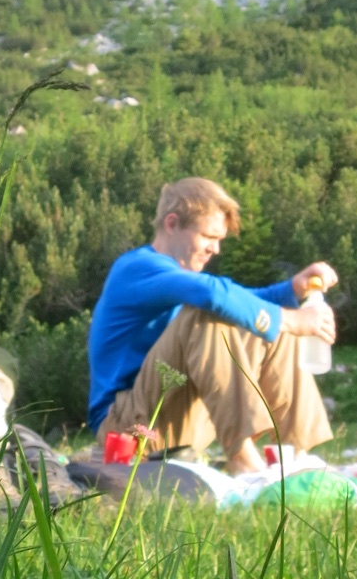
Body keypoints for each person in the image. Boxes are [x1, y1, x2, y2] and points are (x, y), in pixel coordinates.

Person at [87, 177, 338, 476]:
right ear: (172, 224)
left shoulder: (181, 281)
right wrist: (291, 319)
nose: (215, 249)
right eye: (208, 236)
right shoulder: (137, 268)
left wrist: (292, 291)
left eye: (219, 240)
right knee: (211, 314)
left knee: (272, 323)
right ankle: (243, 460)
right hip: (126, 426)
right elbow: (213, 295)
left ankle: (295, 457)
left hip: (177, 414)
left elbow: (240, 302)